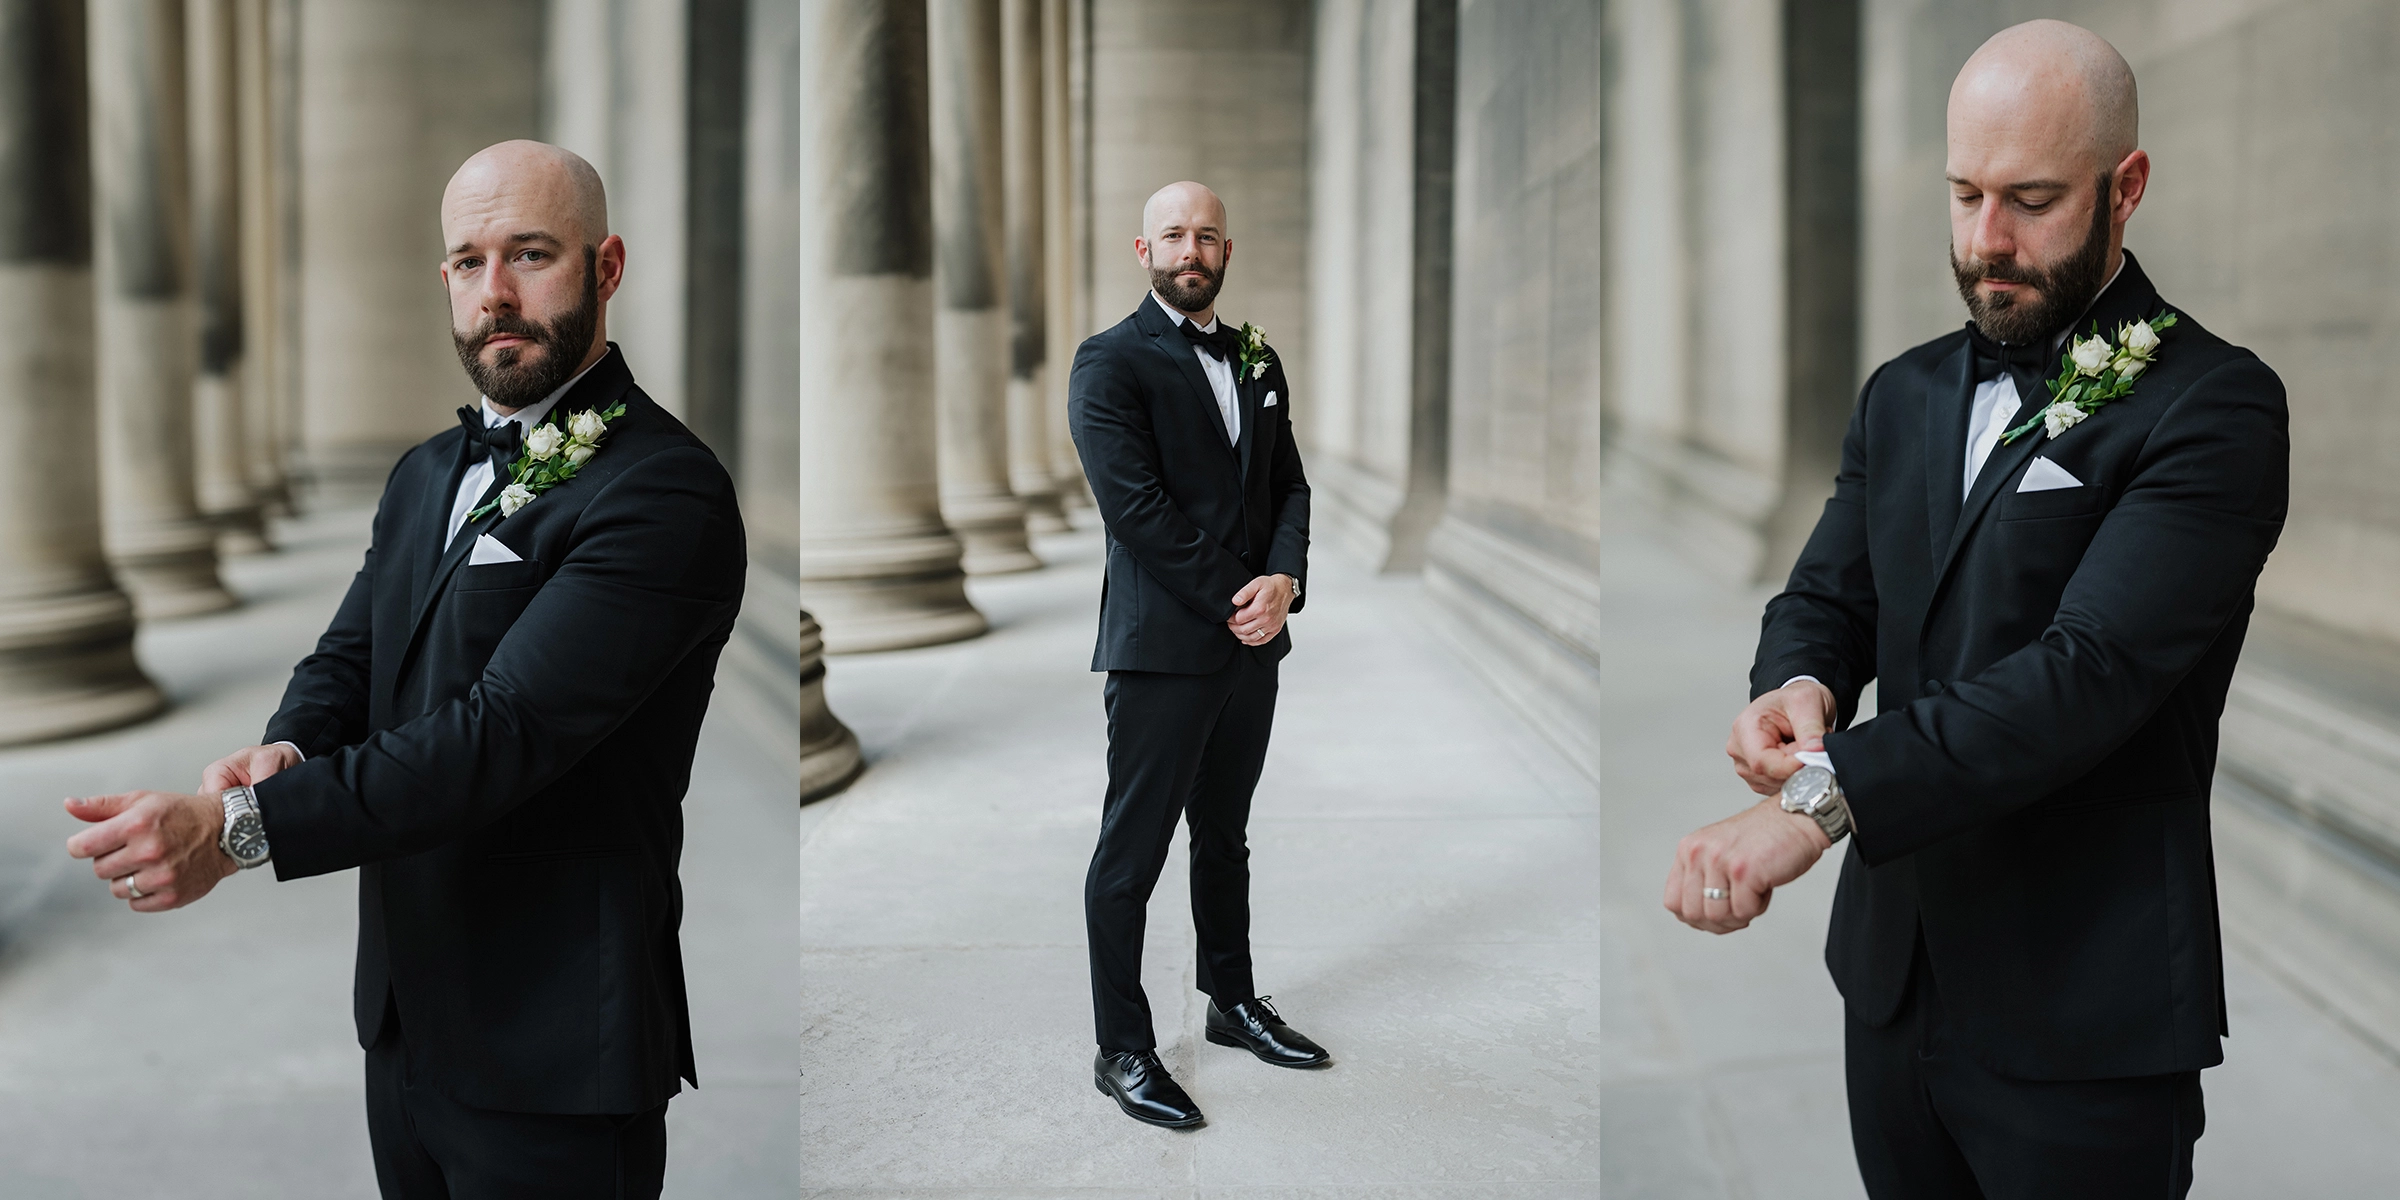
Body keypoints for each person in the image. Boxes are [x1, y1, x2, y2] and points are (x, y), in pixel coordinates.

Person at [1661, 21, 2287, 1199]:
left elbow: (2089, 671)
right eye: (1964, 195)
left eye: (2032, 201)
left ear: (2125, 187)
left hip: (2081, 1006)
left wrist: (1818, 805)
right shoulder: (1900, 393)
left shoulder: (2216, 407)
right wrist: (1795, 683)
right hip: (1892, 977)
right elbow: (1830, 591)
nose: (1987, 241)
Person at [61, 140, 746, 1198]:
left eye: (531, 255)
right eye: (469, 262)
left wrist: (236, 830)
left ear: (606, 267)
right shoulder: (426, 471)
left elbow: (502, 735)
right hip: (404, 1017)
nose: (496, 292)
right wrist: (287, 746)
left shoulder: (665, 492)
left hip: (556, 1045)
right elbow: (353, 652)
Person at [1067, 180, 1328, 1128]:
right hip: (1163, 651)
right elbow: (1134, 509)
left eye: (1207, 235)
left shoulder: (1258, 357)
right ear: (1144, 252)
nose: (1192, 249)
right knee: (1130, 853)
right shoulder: (1107, 362)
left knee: (1225, 835)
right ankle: (1122, 1047)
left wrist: (1284, 580)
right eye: (1174, 235)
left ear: (1226, 250)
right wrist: (1239, 595)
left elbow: (1290, 484)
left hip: (1252, 648)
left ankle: (1232, 1001)